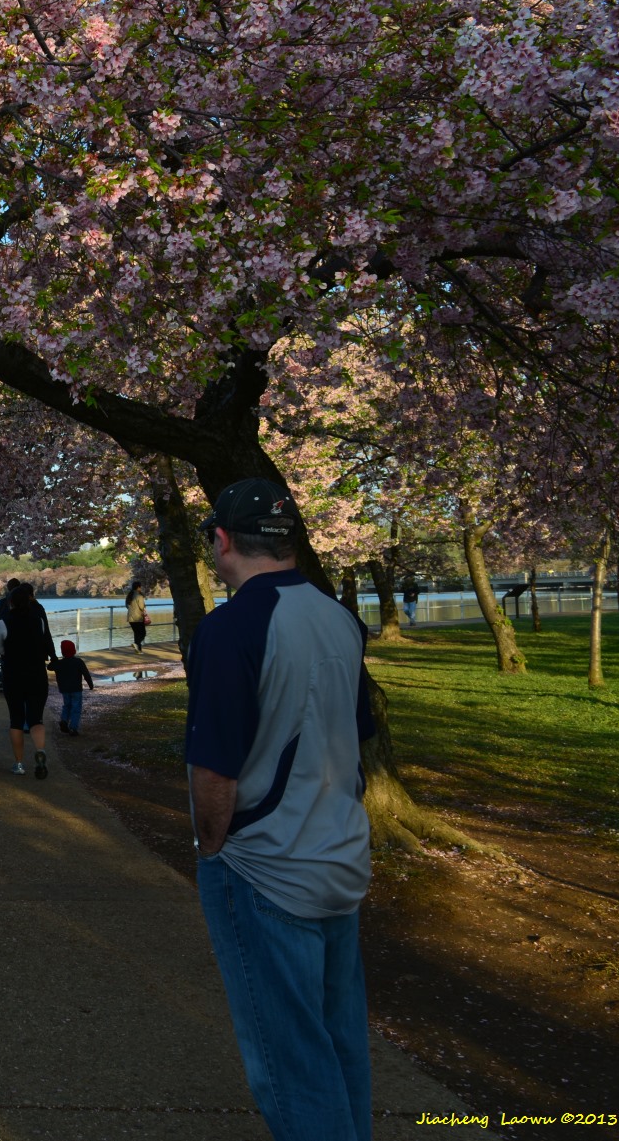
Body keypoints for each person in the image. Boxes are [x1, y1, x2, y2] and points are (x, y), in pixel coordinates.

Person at [186, 480, 378, 1141]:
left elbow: (215, 770)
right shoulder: (340, 619)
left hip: (264, 865)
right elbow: (355, 737)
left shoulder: (230, 627)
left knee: (289, 1062)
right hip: (338, 854)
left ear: (223, 540)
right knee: (338, 1040)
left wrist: (213, 849)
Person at [0, 581, 56, 777]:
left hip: (13, 674)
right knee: (36, 718)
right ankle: (40, 752)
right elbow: (44, 642)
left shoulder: (4, 622)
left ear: (10, 602)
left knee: (17, 719)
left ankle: (19, 764)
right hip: (36, 674)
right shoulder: (38, 620)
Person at [51, 640, 95, 734]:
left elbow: (49, 667)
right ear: (74, 650)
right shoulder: (78, 662)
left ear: (62, 651)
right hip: (76, 689)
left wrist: (54, 658)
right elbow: (86, 674)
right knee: (76, 708)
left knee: (66, 705)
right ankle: (73, 727)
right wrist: (90, 684)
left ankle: (64, 720)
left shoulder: (59, 663)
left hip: (64, 689)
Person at [125, 581, 149, 652]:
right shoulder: (139, 595)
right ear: (138, 587)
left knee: (136, 633)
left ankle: (138, 650)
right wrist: (144, 605)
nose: (141, 588)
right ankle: (136, 644)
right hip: (138, 618)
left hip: (130, 618)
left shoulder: (129, 595)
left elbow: (126, 606)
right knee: (143, 633)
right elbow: (141, 607)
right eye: (140, 587)